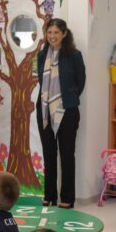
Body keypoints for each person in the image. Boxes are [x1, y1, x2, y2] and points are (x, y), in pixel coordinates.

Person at [37, 18, 86, 208]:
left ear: (64, 34)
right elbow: (42, 82)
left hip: (68, 110)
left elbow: (80, 82)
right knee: (49, 155)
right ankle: (49, 195)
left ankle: (67, 198)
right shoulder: (42, 55)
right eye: (49, 33)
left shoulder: (74, 55)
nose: (52, 36)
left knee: (67, 155)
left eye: (56, 32)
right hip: (44, 110)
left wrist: (66, 99)